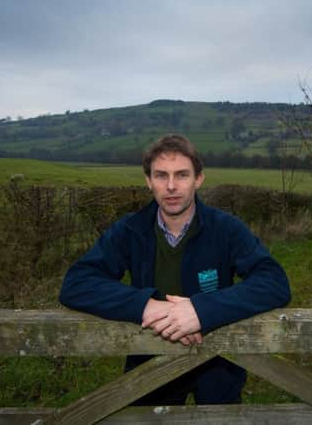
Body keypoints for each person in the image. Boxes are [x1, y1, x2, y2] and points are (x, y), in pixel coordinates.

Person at [59, 134, 290, 405]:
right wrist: (147, 306)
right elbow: (76, 283)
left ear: (198, 179)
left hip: (217, 364)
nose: (171, 186)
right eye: (160, 175)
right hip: (149, 364)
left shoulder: (226, 229)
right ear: (148, 181)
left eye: (181, 175)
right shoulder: (131, 230)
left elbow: (274, 282)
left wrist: (201, 311)